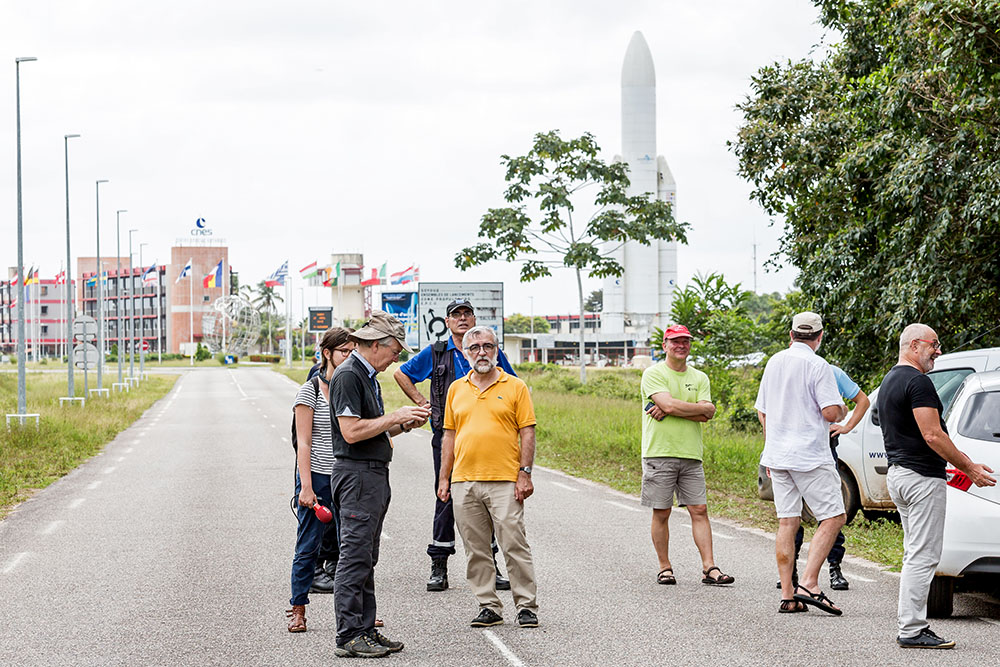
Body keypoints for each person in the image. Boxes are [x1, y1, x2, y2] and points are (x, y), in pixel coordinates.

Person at [879, 323, 995, 649]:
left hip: (899, 475)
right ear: (915, 345)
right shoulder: (917, 382)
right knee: (923, 556)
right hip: (920, 479)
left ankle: (911, 624)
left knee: (914, 553)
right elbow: (933, 434)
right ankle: (913, 628)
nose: (938, 351)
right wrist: (969, 467)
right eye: (934, 345)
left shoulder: (890, 380)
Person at [394, 299, 516, 592]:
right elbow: (402, 373)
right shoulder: (437, 352)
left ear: (474, 318)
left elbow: (512, 384)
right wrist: (423, 403)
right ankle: (439, 565)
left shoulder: (490, 352)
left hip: (489, 438)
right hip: (448, 435)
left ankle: (490, 565)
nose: (462, 319)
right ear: (447, 322)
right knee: (446, 494)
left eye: (467, 314)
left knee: (486, 499)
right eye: (455, 315)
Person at [329, 312, 432, 658]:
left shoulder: (368, 375)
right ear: (376, 345)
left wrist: (403, 425)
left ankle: (365, 628)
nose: (396, 359)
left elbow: (372, 429)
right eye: (395, 351)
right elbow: (351, 431)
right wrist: (395, 415)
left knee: (367, 556)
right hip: (357, 475)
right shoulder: (349, 375)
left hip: (372, 473)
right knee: (354, 556)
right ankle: (348, 635)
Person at [436, 326, 539, 628]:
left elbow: (528, 431)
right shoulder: (456, 389)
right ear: (465, 353)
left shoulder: (515, 386)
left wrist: (525, 473)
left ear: (497, 350)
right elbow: (449, 436)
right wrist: (444, 478)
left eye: (488, 346)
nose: (482, 352)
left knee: (513, 544)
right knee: (476, 548)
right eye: (475, 347)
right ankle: (488, 605)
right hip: (464, 481)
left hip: (505, 480)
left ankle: (526, 606)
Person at [755, 311, 848, 615]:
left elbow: (763, 411)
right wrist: (842, 409)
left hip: (778, 456)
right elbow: (830, 413)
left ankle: (788, 595)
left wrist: (771, 446)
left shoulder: (774, 362)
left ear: (791, 334)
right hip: (809, 455)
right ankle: (809, 582)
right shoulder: (818, 365)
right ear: (819, 337)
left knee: (787, 521)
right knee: (833, 517)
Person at [641, 324, 734, 587]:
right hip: (660, 452)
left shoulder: (700, 377)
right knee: (662, 511)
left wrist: (670, 408)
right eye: (675, 341)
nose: (681, 346)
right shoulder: (653, 373)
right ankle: (664, 567)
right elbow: (692, 409)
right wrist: (689, 409)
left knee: (700, 509)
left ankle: (710, 568)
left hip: (692, 453)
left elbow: (709, 413)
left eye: (685, 341)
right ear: (665, 345)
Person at [286, 327, 354, 632]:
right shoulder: (310, 390)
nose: (350, 357)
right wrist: (307, 487)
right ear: (327, 353)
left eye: (354, 351)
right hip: (316, 478)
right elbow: (304, 443)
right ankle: (298, 608)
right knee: (308, 545)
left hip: (346, 478)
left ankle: (358, 611)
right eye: (345, 351)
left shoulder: (350, 386)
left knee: (352, 547)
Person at [779, 365, 870, 591]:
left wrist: (846, 426)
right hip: (789, 447)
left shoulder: (830, 371)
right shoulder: (784, 369)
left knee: (831, 511)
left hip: (822, 447)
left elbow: (863, 400)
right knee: (792, 514)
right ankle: (791, 572)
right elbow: (766, 411)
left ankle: (834, 567)